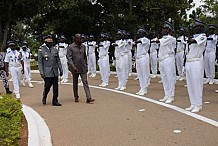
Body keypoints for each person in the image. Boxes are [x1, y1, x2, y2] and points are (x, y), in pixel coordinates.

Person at [185, 19, 207, 113]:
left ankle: (198, 105)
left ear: (201, 27)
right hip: (189, 62)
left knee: (197, 84)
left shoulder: (203, 36)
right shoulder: (193, 36)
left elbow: (192, 41)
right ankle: (193, 103)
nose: (194, 28)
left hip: (196, 62)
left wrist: (189, 33)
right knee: (190, 84)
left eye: (196, 26)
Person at [67, 34, 95, 103]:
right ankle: (76, 96)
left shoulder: (83, 47)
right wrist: (73, 67)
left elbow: (85, 57)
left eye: (81, 38)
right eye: (79, 38)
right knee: (75, 83)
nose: (81, 40)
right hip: (75, 68)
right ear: (75, 39)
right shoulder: (71, 47)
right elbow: (69, 58)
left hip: (83, 67)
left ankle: (88, 97)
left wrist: (86, 65)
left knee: (85, 82)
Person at [38, 35, 63, 106]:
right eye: (48, 43)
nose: (50, 44)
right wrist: (41, 72)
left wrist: (61, 69)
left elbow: (58, 60)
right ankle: (44, 96)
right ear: (45, 42)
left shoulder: (55, 49)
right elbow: (40, 62)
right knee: (47, 86)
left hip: (54, 71)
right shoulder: (41, 50)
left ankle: (55, 100)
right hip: (47, 72)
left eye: (51, 43)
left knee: (56, 87)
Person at [158, 21, 176, 104]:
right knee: (164, 78)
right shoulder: (164, 38)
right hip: (162, 59)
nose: (163, 30)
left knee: (169, 77)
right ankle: (166, 94)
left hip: (168, 58)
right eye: (163, 28)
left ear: (169, 30)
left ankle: (171, 95)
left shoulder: (170, 38)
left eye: (165, 29)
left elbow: (159, 41)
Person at [134, 28, 150, 95]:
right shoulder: (139, 39)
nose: (138, 34)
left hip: (143, 57)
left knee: (144, 73)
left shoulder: (145, 39)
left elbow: (138, 42)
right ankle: (141, 87)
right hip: (138, 58)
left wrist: (135, 39)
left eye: (140, 32)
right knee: (140, 74)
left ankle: (145, 89)